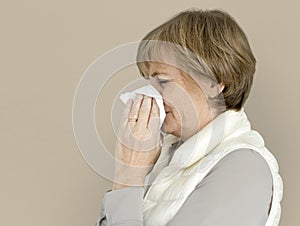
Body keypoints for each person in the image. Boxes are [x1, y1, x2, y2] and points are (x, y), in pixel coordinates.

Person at [95, 8, 283, 226]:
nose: (151, 94)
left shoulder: (243, 168)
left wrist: (128, 177)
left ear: (213, 82)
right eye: (149, 82)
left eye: (163, 81)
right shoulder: (167, 161)